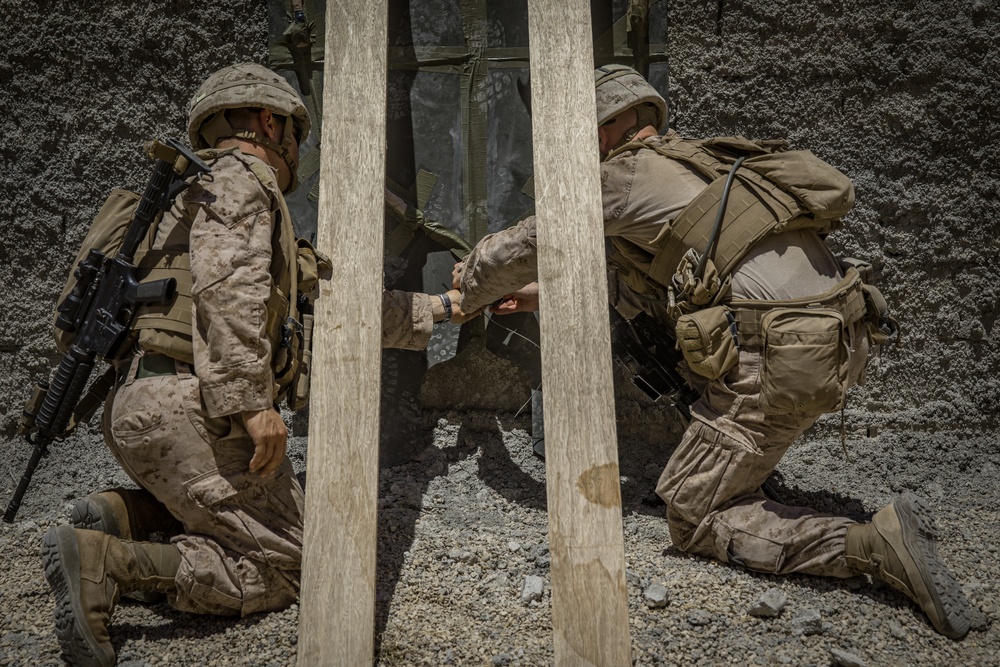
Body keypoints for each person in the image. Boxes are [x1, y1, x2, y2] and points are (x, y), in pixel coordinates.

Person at [452, 64, 975, 639]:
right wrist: (537, 297)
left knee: (694, 519)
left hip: (778, 358)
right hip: (839, 338)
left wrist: (465, 292)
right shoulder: (698, 164)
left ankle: (871, 545)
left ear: (604, 126)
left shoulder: (617, 179)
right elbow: (663, 281)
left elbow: (519, 246)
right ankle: (746, 471)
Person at [42, 62, 478, 667]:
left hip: (140, 407)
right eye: (297, 135)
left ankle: (129, 511)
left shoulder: (183, 198)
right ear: (272, 123)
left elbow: (334, 312)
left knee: (253, 519)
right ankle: (109, 564)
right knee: (293, 562)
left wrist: (449, 306)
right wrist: (252, 405)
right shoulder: (243, 180)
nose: (298, 152)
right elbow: (228, 291)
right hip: (196, 414)